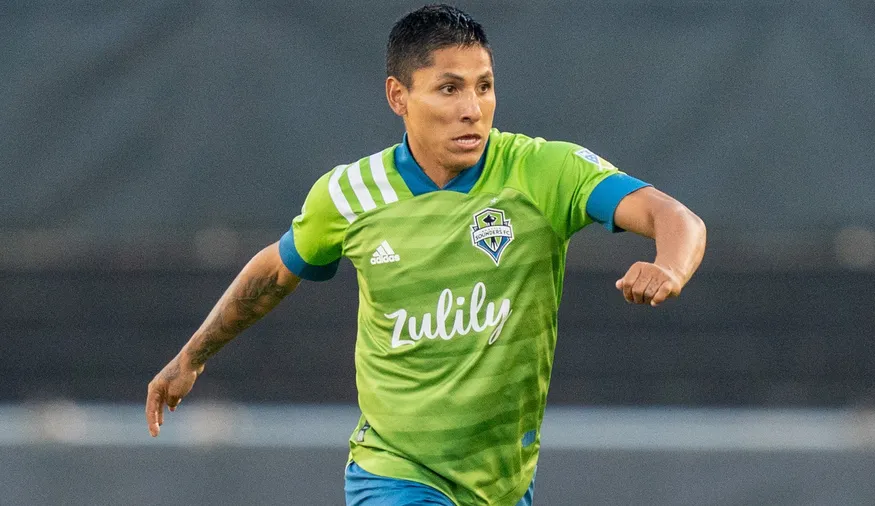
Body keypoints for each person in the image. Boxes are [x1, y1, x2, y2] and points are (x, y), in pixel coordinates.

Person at [145, 4, 706, 505]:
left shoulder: (542, 172)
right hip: (392, 472)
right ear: (399, 97)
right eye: (449, 88)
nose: (472, 108)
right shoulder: (349, 194)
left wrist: (670, 266)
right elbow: (274, 272)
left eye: (484, 86)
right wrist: (191, 356)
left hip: (502, 483)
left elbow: (675, 217)